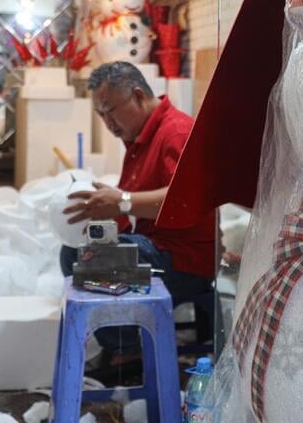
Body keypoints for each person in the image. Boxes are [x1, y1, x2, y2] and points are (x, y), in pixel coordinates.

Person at [60, 61, 216, 375]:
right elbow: (130, 208)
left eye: (111, 111)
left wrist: (123, 202)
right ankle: (126, 343)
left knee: (83, 258)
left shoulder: (176, 132)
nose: (107, 123)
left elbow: (186, 202)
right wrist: (101, 217)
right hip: (156, 246)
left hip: (183, 259)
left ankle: (130, 353)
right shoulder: (138, 138)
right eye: (100, 115)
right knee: (77, 248)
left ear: (137, 95)